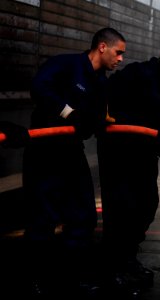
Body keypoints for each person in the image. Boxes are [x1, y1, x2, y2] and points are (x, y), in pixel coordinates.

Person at [22, 27, 126, 298]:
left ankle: (70, 278)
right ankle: (36, 281)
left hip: (70, 151)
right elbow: (39, 87)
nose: (120, 59)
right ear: (102, 47)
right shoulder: (65, 64)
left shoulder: (101, 83)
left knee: (84, 217)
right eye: (118, 52)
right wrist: (69, 113)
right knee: (42, 219)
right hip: (44, 151)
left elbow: (93, 120)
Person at [97, 39, 160, 296]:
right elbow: (108, 96)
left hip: (143, 156)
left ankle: (128, 259)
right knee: (120, 210)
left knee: (147, 204)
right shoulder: (136, 73)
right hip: (118, 153)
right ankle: (111, 269)